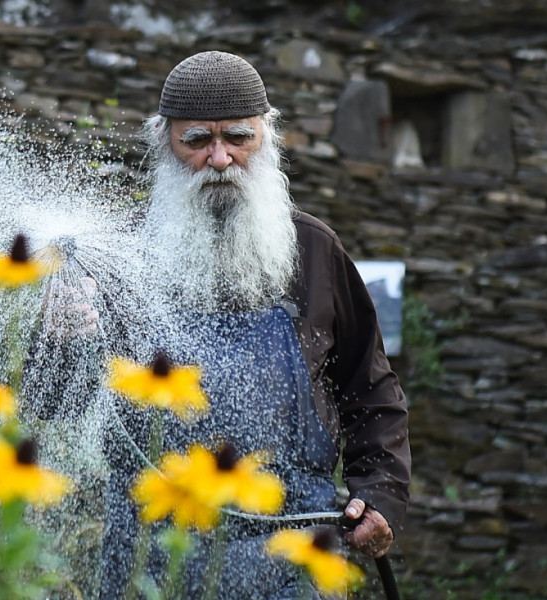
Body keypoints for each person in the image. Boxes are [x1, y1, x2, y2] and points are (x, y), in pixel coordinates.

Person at [40, 50, 410, 599]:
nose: (220, 158)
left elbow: (370, 390)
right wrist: (63, 343)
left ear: (267, 136)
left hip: (293, 556)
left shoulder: (313, 251)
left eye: (238, 137)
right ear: (164, 143)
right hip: (149, 558)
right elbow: (54, 408)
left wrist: (377, 494)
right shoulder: (116, 260)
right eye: (197, 141)